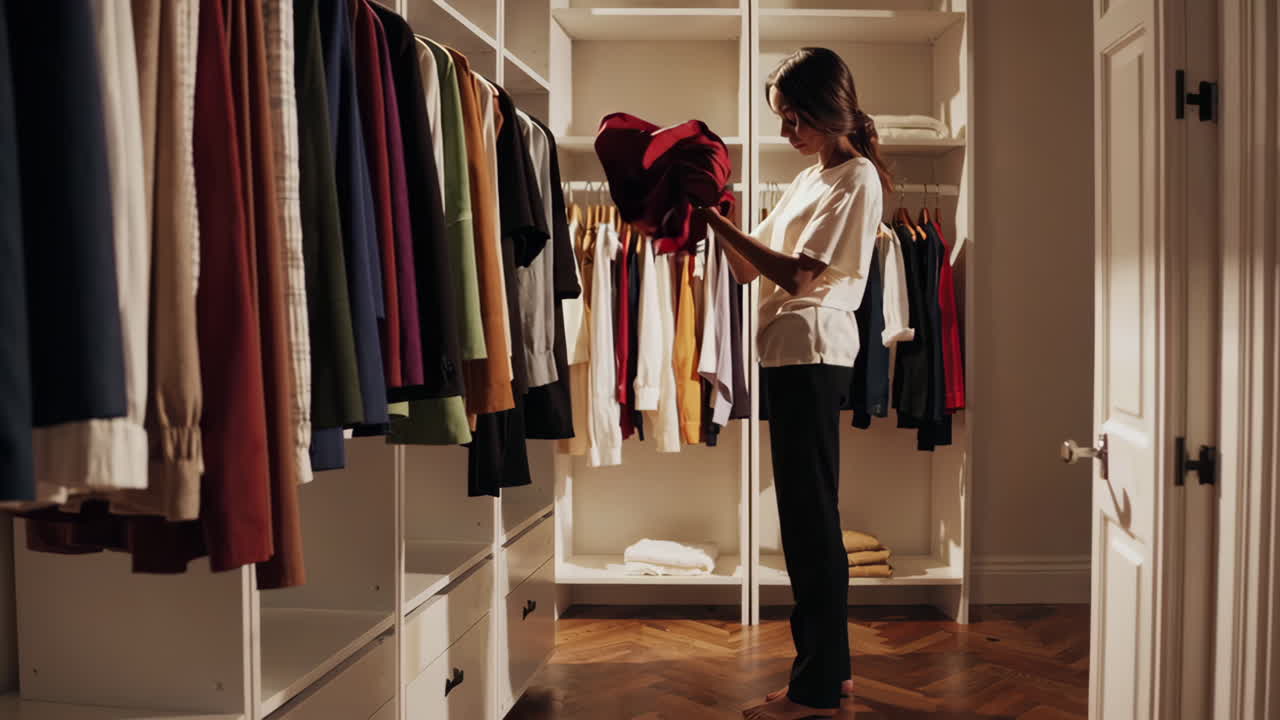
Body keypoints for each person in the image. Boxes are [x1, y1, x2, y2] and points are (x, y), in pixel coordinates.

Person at [695, 47, 892, 720]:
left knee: (811, 526)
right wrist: (710, 216)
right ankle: (827, 676)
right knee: (805, 522)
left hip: (812, 355)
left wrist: (721, 223)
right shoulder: (811, 179)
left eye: (793, 119)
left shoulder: (856, 179)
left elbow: (800, 278)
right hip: (785, 358)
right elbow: (754, 270)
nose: (786, 134)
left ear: (826, 110)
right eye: (780, 120)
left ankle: (816, 688)